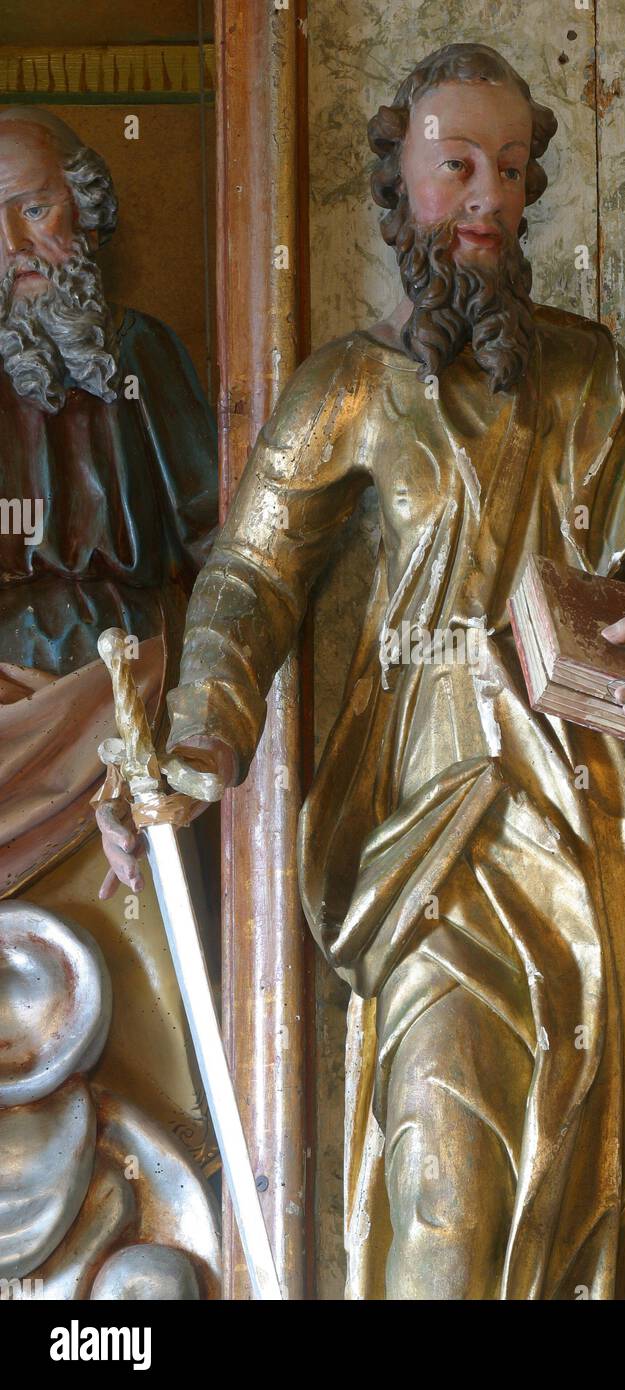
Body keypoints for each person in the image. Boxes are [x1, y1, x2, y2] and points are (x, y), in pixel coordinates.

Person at [101, 44, 625, 1301]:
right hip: (440, 844)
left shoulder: (588, 376)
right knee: (444, 1187)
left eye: (509, 170)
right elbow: (250, 578)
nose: (489, 197)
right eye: (457, 169)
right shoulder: (349, 388)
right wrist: (199, 742)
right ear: (399, 185)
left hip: (618, 836)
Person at [0, 107, 219, 1178]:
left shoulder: (144, 357)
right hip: (8, 713)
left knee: (147, 1024)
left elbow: (220, 538)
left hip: (129, 713)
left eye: (33, 209)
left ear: (80, 210)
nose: (11, 247)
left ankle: (159, 1187)